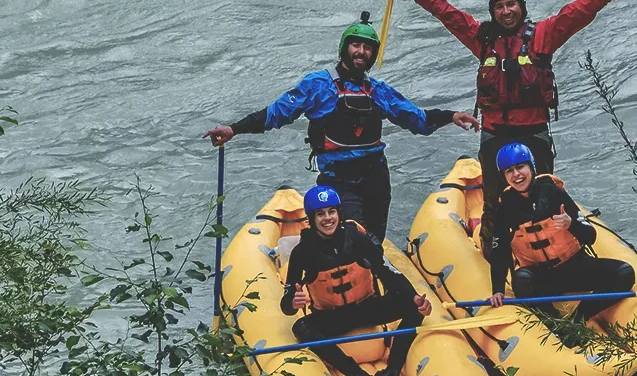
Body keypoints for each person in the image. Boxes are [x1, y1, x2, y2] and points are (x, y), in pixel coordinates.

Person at [386, 0, 637, 255]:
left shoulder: (542, 36)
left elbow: (577, 13)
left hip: (533, 131)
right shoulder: (482, 40)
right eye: (499, 7)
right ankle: (492, 250)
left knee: (545, 194)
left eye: (511, 4)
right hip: (495, 133)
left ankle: (557, 250)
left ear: (521, 6)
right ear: (492, 12)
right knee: (494, 199)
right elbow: (447, 13)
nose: (506, 11)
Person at [203, 12, 479, 240]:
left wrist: (451, 115)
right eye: (356, 45)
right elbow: (276, 114)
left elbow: (416, 119)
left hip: (375, 177)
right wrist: (234, 129)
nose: (361, 52)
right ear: (344, 48)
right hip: (338, 179)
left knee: (374, 240)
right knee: (356, 238)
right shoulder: (317, 85)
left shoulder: (378, 91)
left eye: (368, 48)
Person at [281, 186, 433, 376]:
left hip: (367, 307)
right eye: (320, 214)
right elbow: (287, 303)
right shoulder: (302, 252)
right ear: (312, 219)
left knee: (413, 308)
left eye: (331, 212)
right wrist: (292, 302)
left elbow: (386, 270)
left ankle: (391, 372)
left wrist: (413, 297)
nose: (327, 218)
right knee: (301, 328)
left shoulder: (356, 238)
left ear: (339, 213)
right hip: (331, 317)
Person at [487, 142, 635, 326]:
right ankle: (556, 325)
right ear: (504, 176)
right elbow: (500, 251)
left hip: (575, 267)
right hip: (542, 277)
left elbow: (590, 237)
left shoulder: (553, 193)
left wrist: (570, 224)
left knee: (624, 273)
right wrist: (498, 290)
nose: (516, 174)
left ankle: (580, 317)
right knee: (521, 280)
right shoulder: (505, 208)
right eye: (509, 171)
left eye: (520, 167)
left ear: (531, 168)